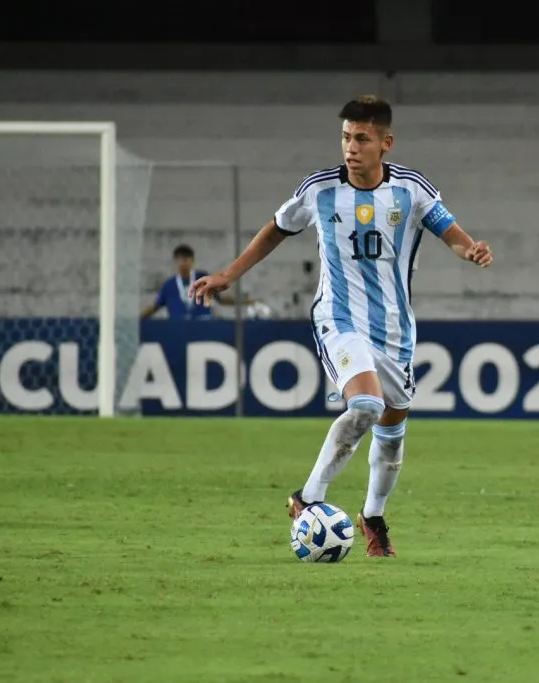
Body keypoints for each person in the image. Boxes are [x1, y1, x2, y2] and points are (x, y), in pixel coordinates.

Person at [190, 95, 493, 557]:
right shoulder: (319, 189)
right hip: (339, 317)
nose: (351, 148)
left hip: (394, 328)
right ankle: (308, 497)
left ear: (385, 143)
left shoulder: (411, 190)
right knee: (367, 404)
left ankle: (372, 516)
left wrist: (470, 249)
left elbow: (449, 233)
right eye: (346, 138)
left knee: (391, 433)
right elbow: (276, 228)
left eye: (362, 139)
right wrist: (229, 274)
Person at [141, 244, 243, 320]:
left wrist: (247, 301)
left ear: (192, 260)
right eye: (178, 259)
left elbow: (221, 299)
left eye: (185, 259)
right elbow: (155, 306)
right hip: (178, 327)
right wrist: (136, 319)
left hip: (203, 325)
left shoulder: (202, 278)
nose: (182, 263)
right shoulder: (169, 285)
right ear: (175, 261)